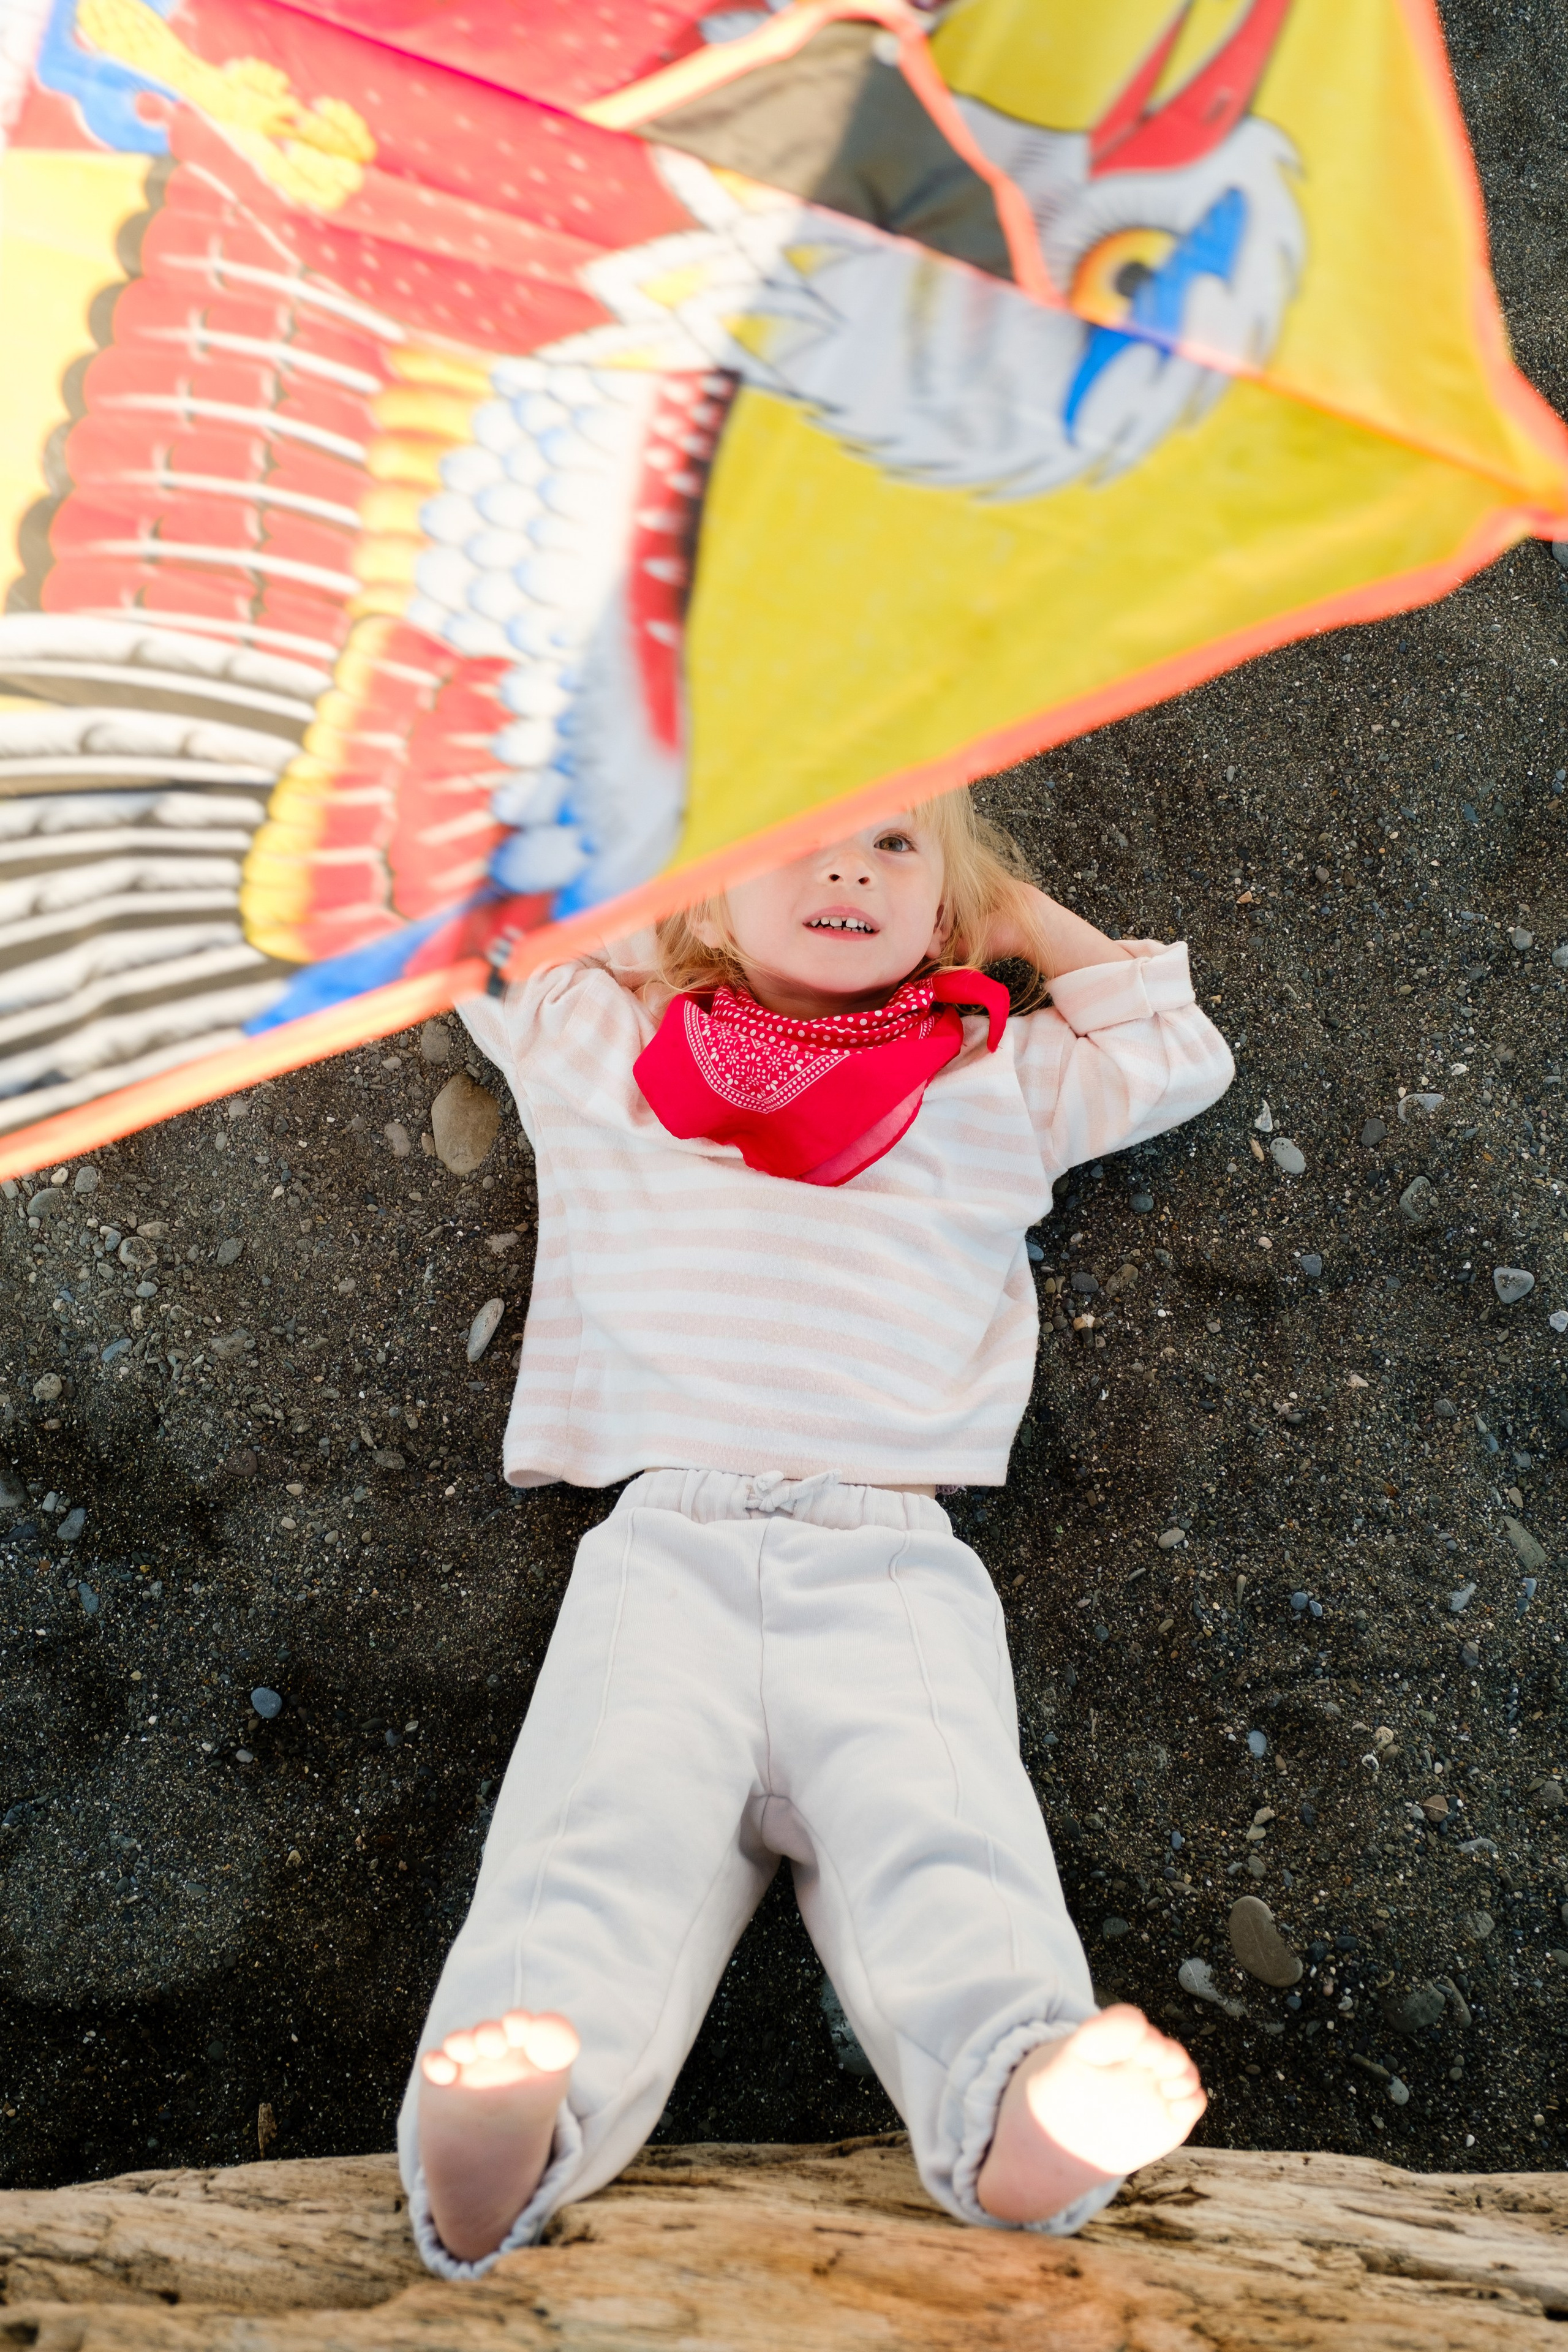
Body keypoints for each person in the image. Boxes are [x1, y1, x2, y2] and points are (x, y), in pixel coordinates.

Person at [399, 787, 1233, 2275]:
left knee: (948, 1843)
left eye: (896, 844)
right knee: (595, 1843)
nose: (846, 859)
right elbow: (501, 929)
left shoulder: (991, 1077)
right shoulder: (615, 1053)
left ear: (945, 911)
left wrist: (1013, 915)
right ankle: (501, 2142)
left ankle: (1020, 2110)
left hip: (891, 1561)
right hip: (668, 1546)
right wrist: (670, 895)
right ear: (705, 900)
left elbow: (1173, 1053)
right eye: (792, 837)